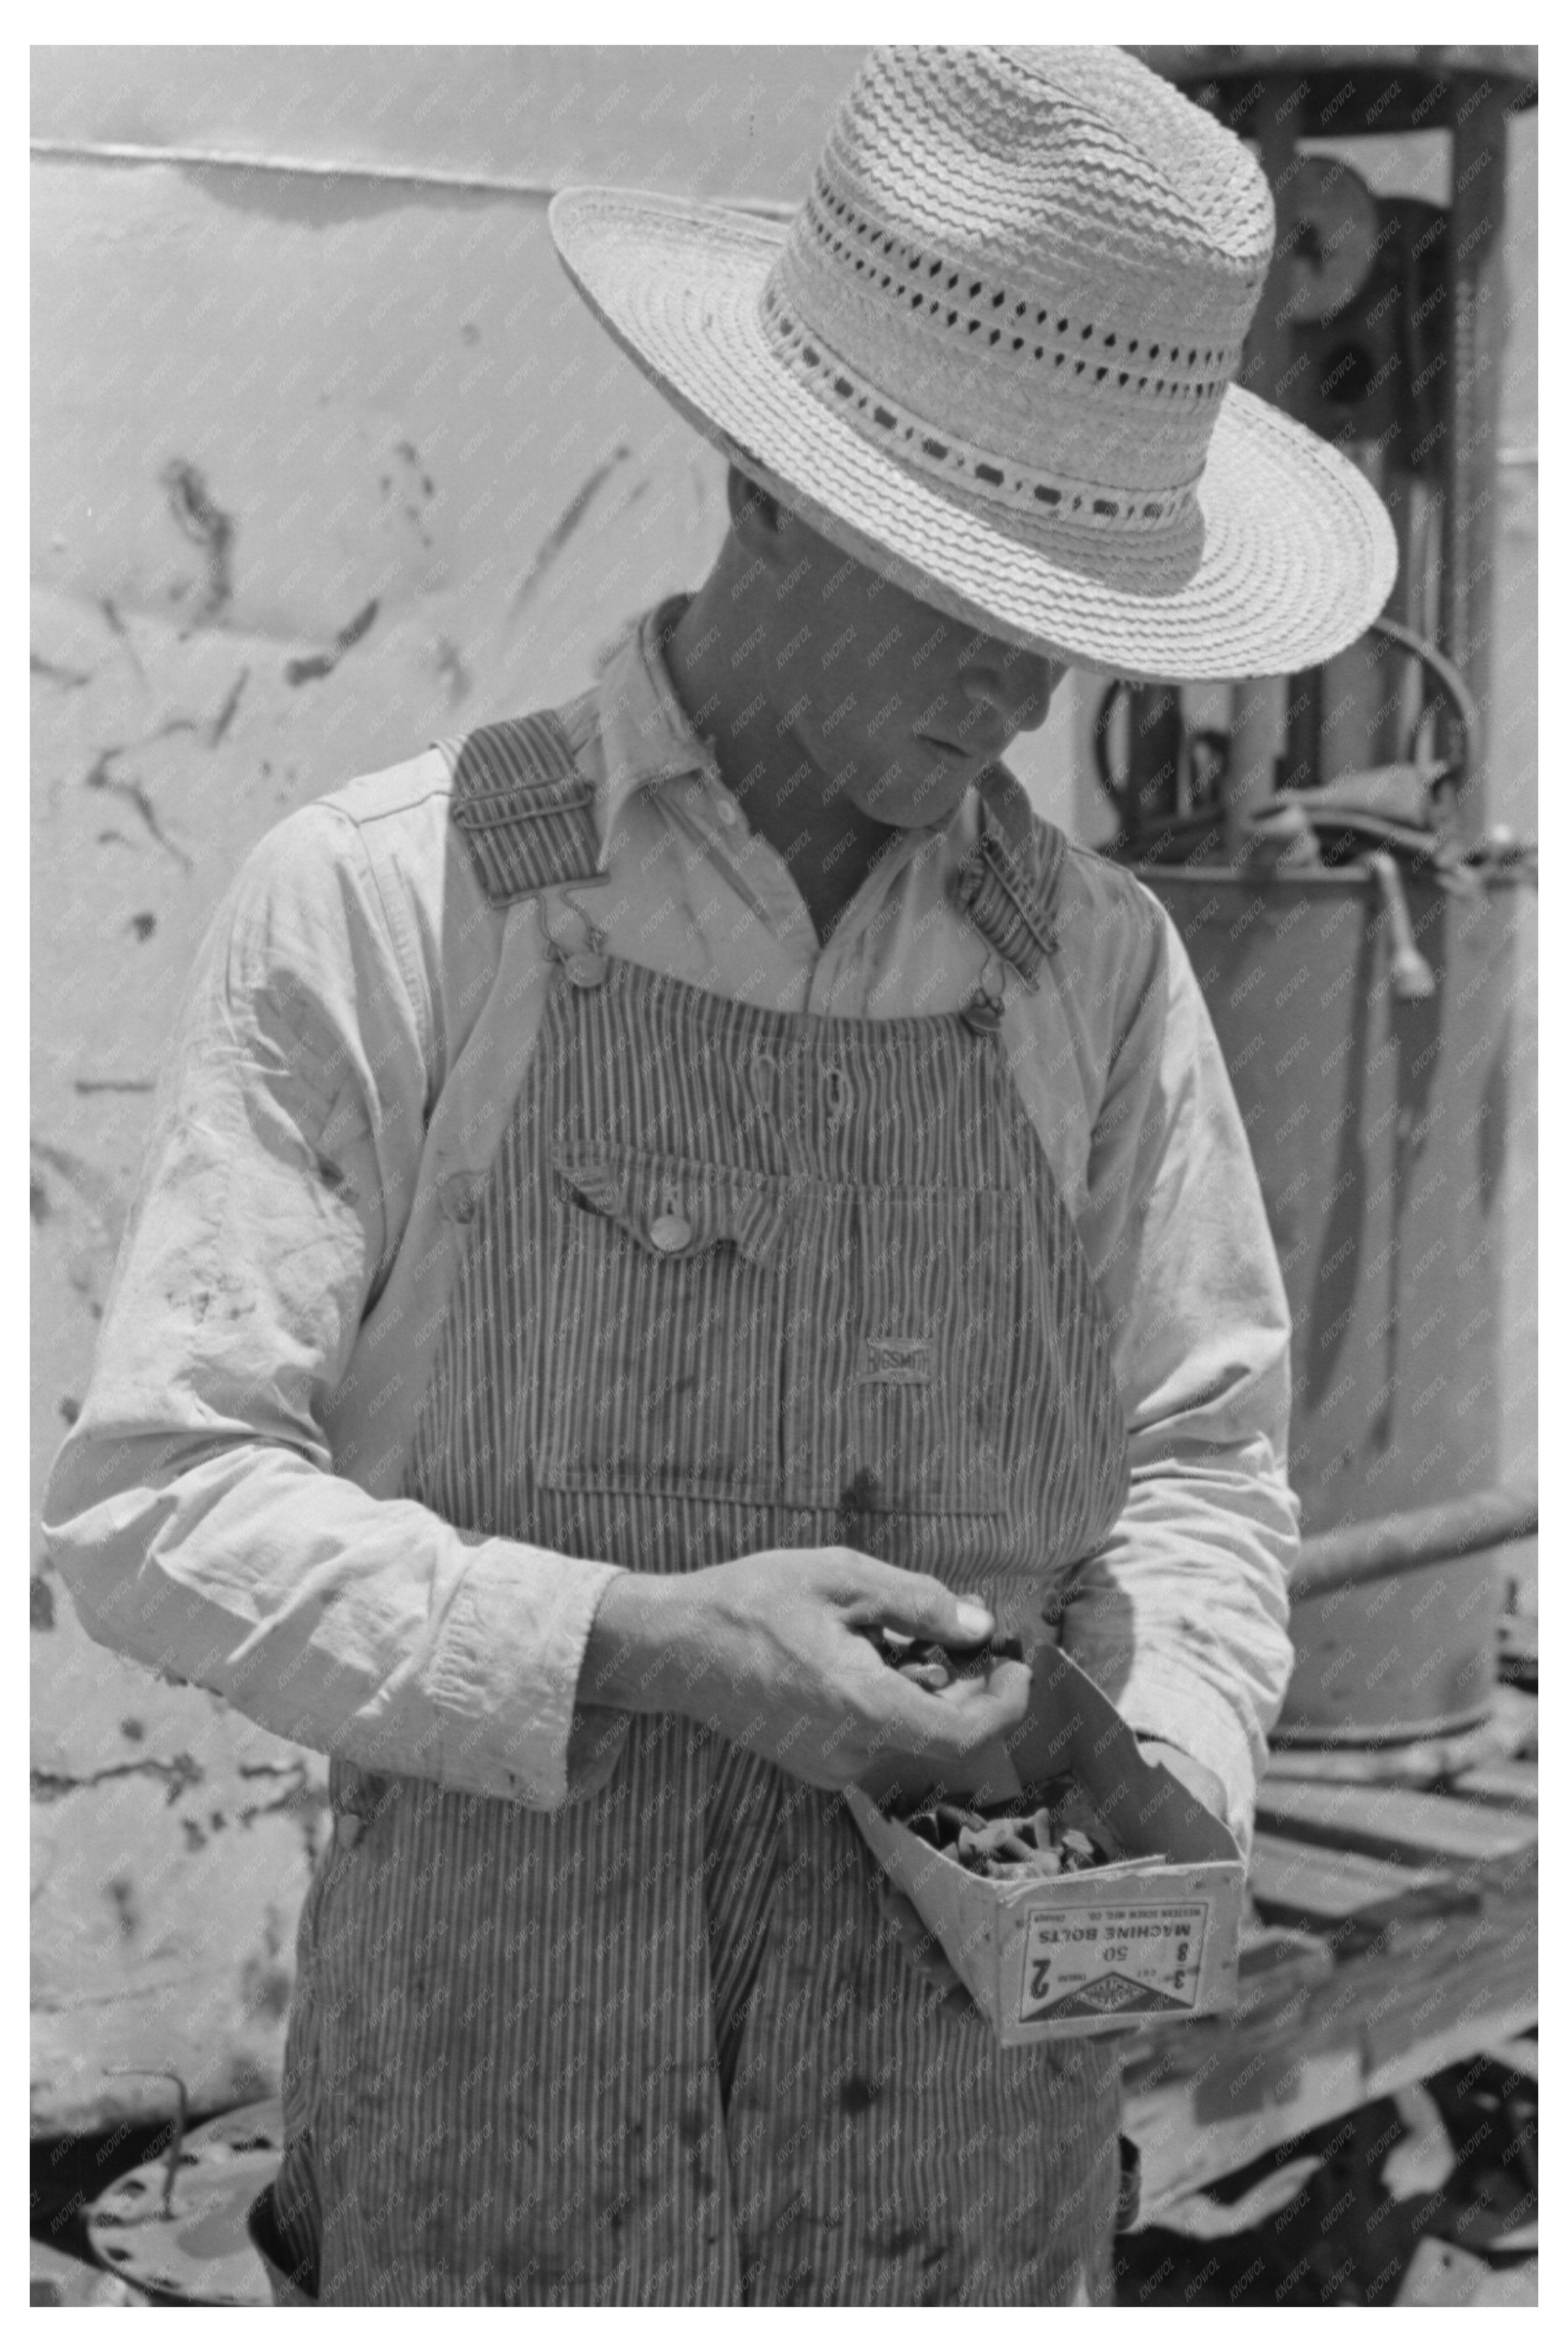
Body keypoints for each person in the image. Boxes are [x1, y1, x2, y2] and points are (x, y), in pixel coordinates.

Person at [44, 44, 1395, 2306]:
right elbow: (157, 1506)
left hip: (960, 2180)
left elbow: (1206, 1459)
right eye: (966, 589)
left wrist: (1143, 1764)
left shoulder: (1098, 973)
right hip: (495, 2166)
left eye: (1072, 606)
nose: (1028, 686)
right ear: (764, 483)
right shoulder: (404, 902)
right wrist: (643, 1644)